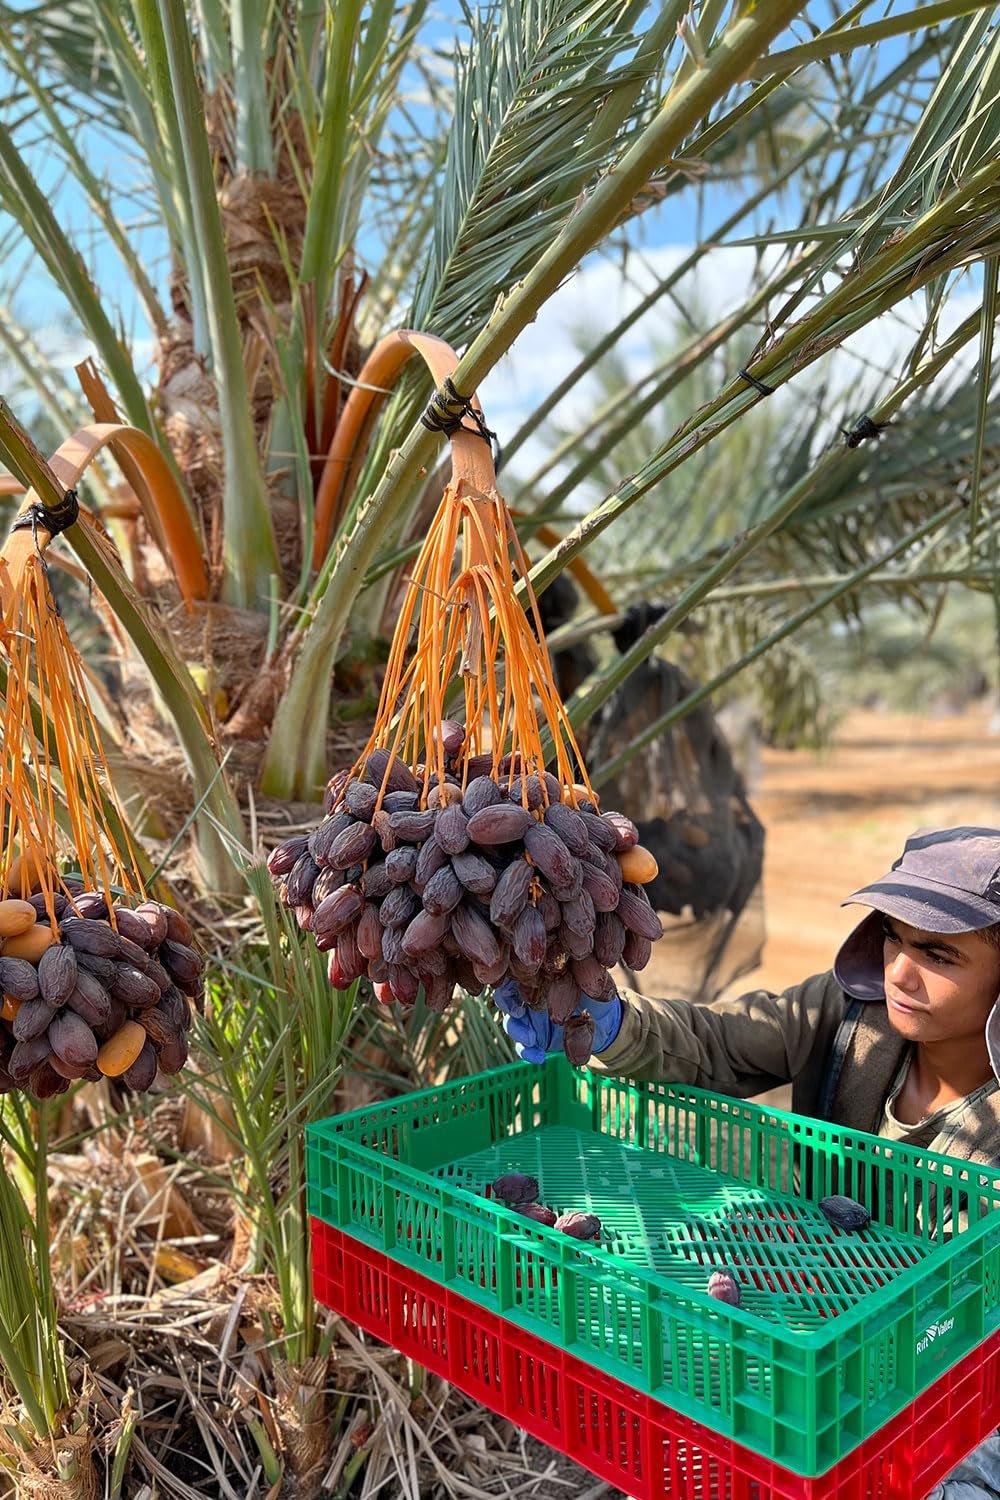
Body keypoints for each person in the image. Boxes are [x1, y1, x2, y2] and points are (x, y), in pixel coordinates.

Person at [492, 825, 1000, 1500]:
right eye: (894, 939)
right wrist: (607, 1024)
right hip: (802, 1330)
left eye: (937, 954)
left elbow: (959, 1316)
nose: (899, 972)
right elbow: (719, 1043)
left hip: (939, 1389)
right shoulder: (850, 1016)